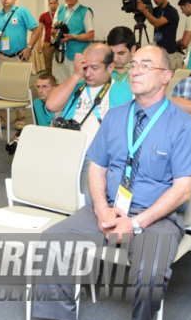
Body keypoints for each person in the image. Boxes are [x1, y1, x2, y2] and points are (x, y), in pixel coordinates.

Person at [19, 45, 191, 320]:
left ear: (166, 76)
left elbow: (182, 190)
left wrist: (135, 222)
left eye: (145, 65)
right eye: (132, 64)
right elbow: (97, 167)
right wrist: (103, 209)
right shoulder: (117, 116)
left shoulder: (182, 124)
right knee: (54, 239)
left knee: (151, 269)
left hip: (156, 217)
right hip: (108, 207)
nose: (134, 70)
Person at [45, 43, 133, 204]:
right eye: (85, 67)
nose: (88, 73)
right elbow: (51, 105)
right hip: (66, 151)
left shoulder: (126, 90)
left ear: (109, 67)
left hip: (98, 158)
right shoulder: (74, 86)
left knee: (87, 201)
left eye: (94, 68)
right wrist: (76, 75)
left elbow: (161, 101)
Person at [0, 0, 40, 130]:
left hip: (19, 56)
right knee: (1, 89)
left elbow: (36, 29)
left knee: (20, 88)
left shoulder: (22, 11)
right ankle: (0, 120)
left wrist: (29, 47)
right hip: (1, 58)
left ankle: (20, 119)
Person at [52, 0, 95, 85]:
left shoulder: (85, 11)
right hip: (60, 54)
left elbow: (91, 35)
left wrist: (73, 37)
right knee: (61, 85)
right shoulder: (60, 9)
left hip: (76, 56)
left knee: (77, 85)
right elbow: (52, 30)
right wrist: (56, 32)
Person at [136, 0, 179, 67]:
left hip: (169, 53)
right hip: (158, 52)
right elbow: (148, 15)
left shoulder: (171, 11)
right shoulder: (157, 10)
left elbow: (157, 23)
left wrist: (144, 10)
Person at [37, 0, 59, 78]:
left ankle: (59, 82)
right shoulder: (44, 16)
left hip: (59, 42)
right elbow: (40, 30)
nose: (53, 5)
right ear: (49, 5)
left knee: (60, 64)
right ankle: (48, 83)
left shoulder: (61, 15)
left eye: (54, 3)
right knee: (48, 65)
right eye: (51, 3)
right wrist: (39, 44)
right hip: (47, 42)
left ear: (57, 4)